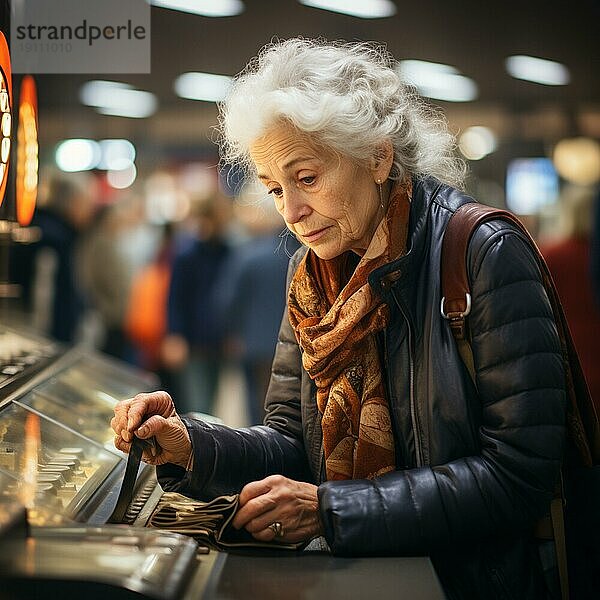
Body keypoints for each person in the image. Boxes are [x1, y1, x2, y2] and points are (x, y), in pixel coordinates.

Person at [112, 39, 566, 600]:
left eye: (306, 178)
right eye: (275, 189)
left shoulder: (483, 254)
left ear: (377, 156)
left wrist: (331, 510)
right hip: (366, 573)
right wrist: (193, 446)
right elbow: (291, 442)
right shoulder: (312, 279)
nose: (291, 212)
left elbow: (519, 475)